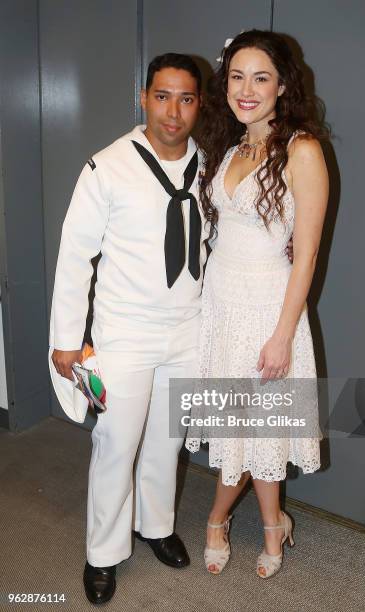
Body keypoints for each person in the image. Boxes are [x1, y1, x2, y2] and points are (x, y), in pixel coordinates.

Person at [49, 53, 208, 605]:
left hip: (187, 330)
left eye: (186, 98)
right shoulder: (106, 167)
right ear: (144, 98)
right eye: (162, 96)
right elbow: (75, 256)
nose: (173, 111)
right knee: (117, 443)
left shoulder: (207, 168)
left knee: (169, 439)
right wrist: (67, 340)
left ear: (199, 105)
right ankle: (102, 553)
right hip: (125, 332)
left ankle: (156, 526)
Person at [185, 30, 329, 579]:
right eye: (237, 77)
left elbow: (307, 254)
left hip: (268, 309)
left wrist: (282, 335)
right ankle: (275, 524)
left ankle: (219, 521)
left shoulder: (303, 150)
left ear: (283, 85)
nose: (246, 89)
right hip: (221, 304)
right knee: (242, 424)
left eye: (260, 77)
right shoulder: (227, 143)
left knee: (256, 426)